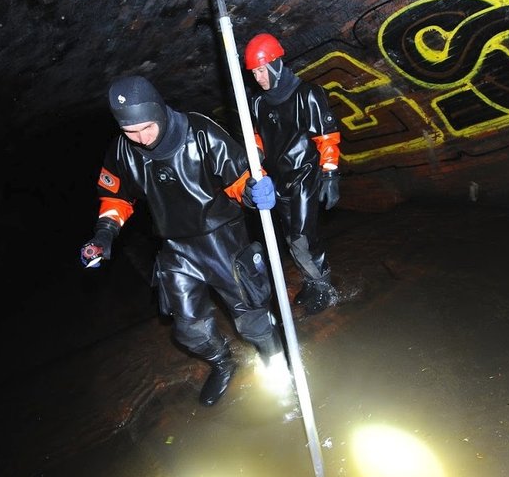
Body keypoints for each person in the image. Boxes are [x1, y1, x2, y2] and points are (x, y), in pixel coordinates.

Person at [80, 75, 284, 407]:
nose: (141, 139)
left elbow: (239, 177)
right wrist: (104, 235)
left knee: (252, 315)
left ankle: (275, 363)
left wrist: (252, 191)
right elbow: (115, 198)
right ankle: (222, 361)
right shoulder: (122, 150)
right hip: (175, 248)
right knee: (188, 327)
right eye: (131, 132)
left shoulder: (200, 132)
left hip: (221, 238)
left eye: (146, 127)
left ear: (159, 111)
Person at [244, 32, 341, 315]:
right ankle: (312, 281)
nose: (258, 78)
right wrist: (257, 166)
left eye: (262, 70)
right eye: (254, 73)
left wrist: (331, 174)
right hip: (278, 181)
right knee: (290, 238)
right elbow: (259, 140)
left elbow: (327, 136)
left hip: (305, 176)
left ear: (275, 65)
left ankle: (324, 287)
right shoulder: (259, 103)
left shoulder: (306, 94)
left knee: (302, 237)